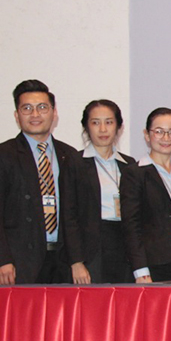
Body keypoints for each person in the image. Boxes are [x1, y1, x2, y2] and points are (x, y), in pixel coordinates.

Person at [0, 79, 76, 285]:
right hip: (20, 261)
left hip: (62, 260)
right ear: (17, 116)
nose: (35, 115)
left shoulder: (69, 155)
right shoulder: (1, 154)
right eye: (27, 108)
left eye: (42, 107)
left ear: (54, 113)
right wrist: (2, 260)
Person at [61, 100, 136, 284]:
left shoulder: (129, 164)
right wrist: (76, 262)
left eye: (109, 122)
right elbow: (68, 215)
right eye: (95, 123)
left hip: (124, 246)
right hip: (91, 249)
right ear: (86, 127)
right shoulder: (74, 162)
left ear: (119, 126)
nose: (103, 129)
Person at [120, 107, 171, 282]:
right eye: (159, 131)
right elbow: (131, 225)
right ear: (146, 135)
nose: (166, 138)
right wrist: (140, 269)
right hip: (152, 264)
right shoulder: (134, 173)